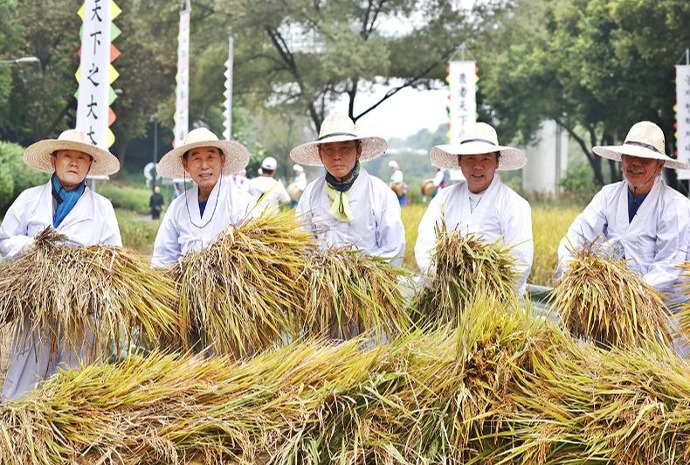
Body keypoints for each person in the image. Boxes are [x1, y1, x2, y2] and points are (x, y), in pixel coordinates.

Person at [0, 129, 122, 401]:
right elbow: (5, 239)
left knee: (72, 389)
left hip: (80, 311)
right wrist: (33, 247)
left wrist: (82, 273)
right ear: (54, 159)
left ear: (90, 165)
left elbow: (113, 258)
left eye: (82, 158)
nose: (74, 163)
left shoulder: (102, 208)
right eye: (67, 155)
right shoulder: (29, 199)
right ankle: (17, 437)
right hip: (35, 305)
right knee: (23, 384)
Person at [557, 121, 690, 306]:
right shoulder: (607, 196)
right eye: (630, 157)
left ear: (660, 166)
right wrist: (569, 266)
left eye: (645, 159)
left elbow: (668, 267)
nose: (635, 164)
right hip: (612, 304)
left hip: (664, 311)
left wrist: (626, 296)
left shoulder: (675, 207)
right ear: (621, 159)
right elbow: (576, 236)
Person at [414, 122, 533, 296]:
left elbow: (520, 260)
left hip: (496, 302)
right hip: (443, 295)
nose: (478, 166)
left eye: (486, 158)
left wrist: (486, 293)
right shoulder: (443, 199)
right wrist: (446, 282)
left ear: (497, 162)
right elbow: (425, 245)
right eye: (470, 158)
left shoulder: (514, 204)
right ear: (459, 161)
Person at [290, 113, 405, 265]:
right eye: (329, 150)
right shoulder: (311, 194)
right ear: (320, 153)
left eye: (344, 149)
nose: (336, 156)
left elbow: (393, 248)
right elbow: (303, 243)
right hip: (323, 284)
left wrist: (362, 273)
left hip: (369, 284)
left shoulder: (380, 193)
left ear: (358, 151)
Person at [152, 127, 256, 267]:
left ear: (222, 160)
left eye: (211, 157)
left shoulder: (243, 203)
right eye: (196, 159)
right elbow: (163, 258)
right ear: (185, 164)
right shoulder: (178, 207)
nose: (204, 165)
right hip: (184, 288)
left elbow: (256, 257)